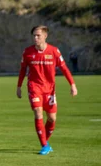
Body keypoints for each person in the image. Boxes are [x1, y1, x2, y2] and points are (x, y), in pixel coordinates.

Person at [17, 26, 77, 155]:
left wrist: (72, 84)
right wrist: (19, 86)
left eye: (38, 35)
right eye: (34, 35)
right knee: (38, 112)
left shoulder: (54, 51)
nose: (35, 38)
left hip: (49, 90)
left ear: (45, 36)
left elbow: (64, 68)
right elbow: (23, 70)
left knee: (52, 118)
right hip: (34, 87)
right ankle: (44, 145)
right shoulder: (27, 52)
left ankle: (45, 142)